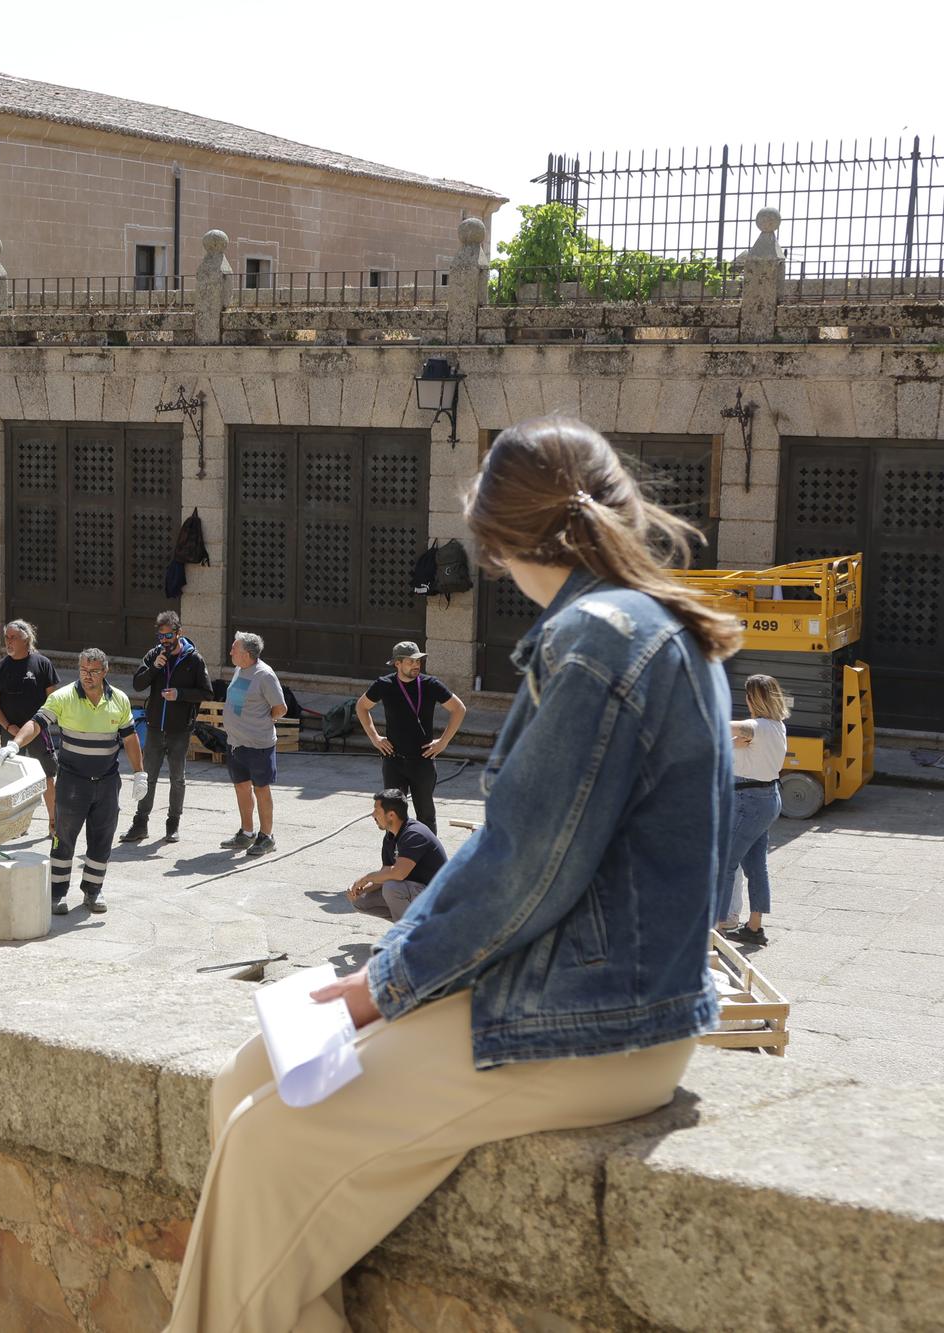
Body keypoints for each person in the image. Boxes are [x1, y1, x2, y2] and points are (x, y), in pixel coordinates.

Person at [166, 416, 740, 1333]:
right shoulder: (644, 619)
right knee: (247, 1079)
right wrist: (389, 972)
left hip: (593, 1020)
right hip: (580, 996)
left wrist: (379, 986)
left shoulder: (595, 635)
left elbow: (524, 868)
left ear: (504, 535)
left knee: (268, 1137)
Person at [0, 648, 145, 915]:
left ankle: (93, 890)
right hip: (73, 783)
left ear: (105, 671)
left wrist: (139, 773)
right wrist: (15, 744)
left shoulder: (120, 700)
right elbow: (37, 723)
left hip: (107, 782)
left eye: (94, 671)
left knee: (102, 838)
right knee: (63, 838)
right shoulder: (63, 697)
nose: (88, 676)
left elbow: (130, 738)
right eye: (83, 671)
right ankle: (56, 894)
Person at [358, 641, 466, 831]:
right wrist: (375, 738)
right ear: (397, 663)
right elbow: (362, 706)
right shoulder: (384, 684)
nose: (416, 665)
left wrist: (444, 741)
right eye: (411, 661)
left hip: (422, 760)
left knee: (426, 815)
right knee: (392, 815)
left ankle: (429, 858)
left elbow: (458, 709)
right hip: (393, 760)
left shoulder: (430, 684)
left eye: (419, 661)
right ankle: (394, 858)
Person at [122, 610, 207, 845]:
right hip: (154, 728)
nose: (164, 641)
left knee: (177, 779)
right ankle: (140, 824)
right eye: (161, 637)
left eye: (169, 636)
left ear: (179, 633)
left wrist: (180, 695)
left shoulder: (194, 659)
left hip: (180, 730)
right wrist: (155, 668)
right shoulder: (153, 655)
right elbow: (138, 684)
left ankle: (173, 825)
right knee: (146, 777)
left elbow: (206, 692)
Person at [719, 673, 789, 944]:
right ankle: (754, 927)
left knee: (726, 864)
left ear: (754, 699)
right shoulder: (776, 725)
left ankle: (717, 928)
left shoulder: (755, 727)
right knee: (756, 866)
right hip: (767, 798)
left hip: (749, 801)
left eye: (748, 696)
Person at [216, 631, 286, 858]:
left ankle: (267, 837)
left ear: (246, 654)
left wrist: (264, 721)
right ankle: (247, 833)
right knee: (241, 787)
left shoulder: (264, 675)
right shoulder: (240, 669)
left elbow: (280, 708)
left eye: (234, 648)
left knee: (261, 789)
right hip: (236, 743)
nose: (230, 651)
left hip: (258, 745)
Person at [0, 619, 60, 824]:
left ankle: (53, 821)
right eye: (7, 638)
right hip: (10, 733)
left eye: (14, 638)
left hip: (37, 731)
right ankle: (19, 823)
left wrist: (42, 722)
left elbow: (53, 699)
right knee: (13, 779)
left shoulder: (42, 664)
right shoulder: (0, 668)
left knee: (47, 777)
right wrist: (9, 726)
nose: (9, 642)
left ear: (26, 639)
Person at [347, 788, 449, 922]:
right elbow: (386, 873)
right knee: (361, 900)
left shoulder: (415, 834)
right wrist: (362, 889)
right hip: (415, 893)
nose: (372, 815)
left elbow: (398, 873)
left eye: (377, 811)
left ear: (391, 815)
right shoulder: (390, 835)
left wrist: (367, 878)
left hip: (438, 898)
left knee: (392, 888)